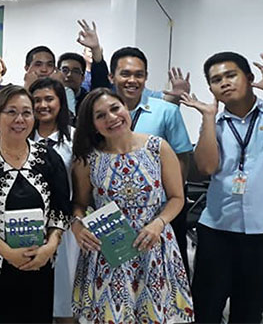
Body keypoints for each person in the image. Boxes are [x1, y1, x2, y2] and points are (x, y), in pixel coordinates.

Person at [70, 88, 193, 323]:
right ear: (93, 125)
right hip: (109, 251)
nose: (111, 118)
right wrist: (77, 225)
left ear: (126, 108)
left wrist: (159, 223)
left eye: (115, 108)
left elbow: (177, 198)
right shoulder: (88, 159)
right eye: (100, 116)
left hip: (153, 245)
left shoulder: (158, 147)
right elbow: (79, 203)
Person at [0, 85, 70, 323]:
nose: (20, 119)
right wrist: (8, 253)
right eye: (11, 112)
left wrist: (49, 247)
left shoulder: (49, 158)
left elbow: (60, 211)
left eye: (26, 112)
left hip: (39, 262)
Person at [181, 51, 263, 323]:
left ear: (250, 77)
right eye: (216, 80)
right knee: (206, 307)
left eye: (231, 75)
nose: (224, 83)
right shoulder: (215, 123)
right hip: (217, 229)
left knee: (249, 310)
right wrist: (208, 119)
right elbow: (206, 167)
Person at [109, 47, 193, 270]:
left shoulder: (166, 111)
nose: (132, 80)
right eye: (125, 74)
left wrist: (172, 197)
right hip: (116, 212)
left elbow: (182, 156)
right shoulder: (103, 114)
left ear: (146, 77)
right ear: (111, 77)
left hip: (162, 211)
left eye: (139, 74)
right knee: (122, 271)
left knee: (168, 270)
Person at [27, 78, 76, 323]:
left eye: (49, 99)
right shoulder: (22, 138)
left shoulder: (76, 139)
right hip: (29, 225)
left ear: (61, 102)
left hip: (66, 227)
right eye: (36, 100)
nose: (42, 105)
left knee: (65, 297)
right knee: (34, 297)